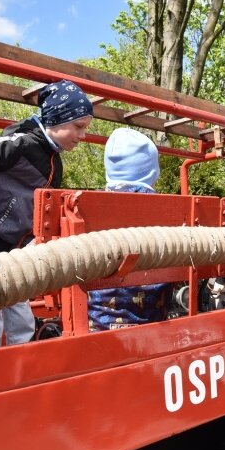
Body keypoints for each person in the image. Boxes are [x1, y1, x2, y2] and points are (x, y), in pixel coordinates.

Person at [0, 79, 93, 351]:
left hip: (14, 248)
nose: (83, 135)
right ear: (57, 118)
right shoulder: (24, 143)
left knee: (22, 319)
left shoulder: (53, 159)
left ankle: (23, 372)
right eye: (79, 127)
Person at [87, 128, 172, 331]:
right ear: (153, 171)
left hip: (97, 323)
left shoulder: (88, 207)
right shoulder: (167, 209)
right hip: (152, 320)